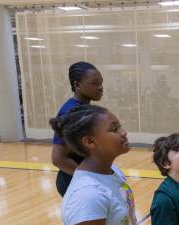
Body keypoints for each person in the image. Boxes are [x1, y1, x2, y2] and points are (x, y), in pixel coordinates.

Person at [49, 105, 137, 225]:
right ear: (89, 142)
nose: (124, 132)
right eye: (114, 129)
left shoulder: (112, 170)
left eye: (119, 126)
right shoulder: (87, 195)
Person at [51, 61, 104, 197]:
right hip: (72, 180)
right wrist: (88, 179)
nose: (100, 88)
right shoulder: (70, 112)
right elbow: (58, 158)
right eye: (94, 83)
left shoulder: (85, 108)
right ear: (77, 85)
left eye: (101, 83)